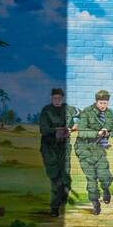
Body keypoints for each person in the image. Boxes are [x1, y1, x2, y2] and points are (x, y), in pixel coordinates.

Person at [74, 89, 113, 215]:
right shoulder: (87, 112)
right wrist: (96, 133)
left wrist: (106, 130)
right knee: (91, 179)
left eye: (105, 103)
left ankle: (106, 188)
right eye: (101, 103)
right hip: (84, 149)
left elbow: (110, 125)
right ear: (96, 101)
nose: (103, 106)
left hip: (98, 149)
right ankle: (95, 202)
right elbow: (81, 131)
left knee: (105, 176)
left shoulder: (108, 113)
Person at [37, 88, 73, 216]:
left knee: (66, 180)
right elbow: (43, 129)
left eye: (59, 98)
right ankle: (54, 208)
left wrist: (68, 129)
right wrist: (56, 130)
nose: (57, 100)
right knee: (56, 179)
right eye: (55, 98)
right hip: (49, 149)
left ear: (62, 99)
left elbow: (71, 123)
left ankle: (61, 199)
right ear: (51, 98)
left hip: (63, 149)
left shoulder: (66, 109)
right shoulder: (46, 110)